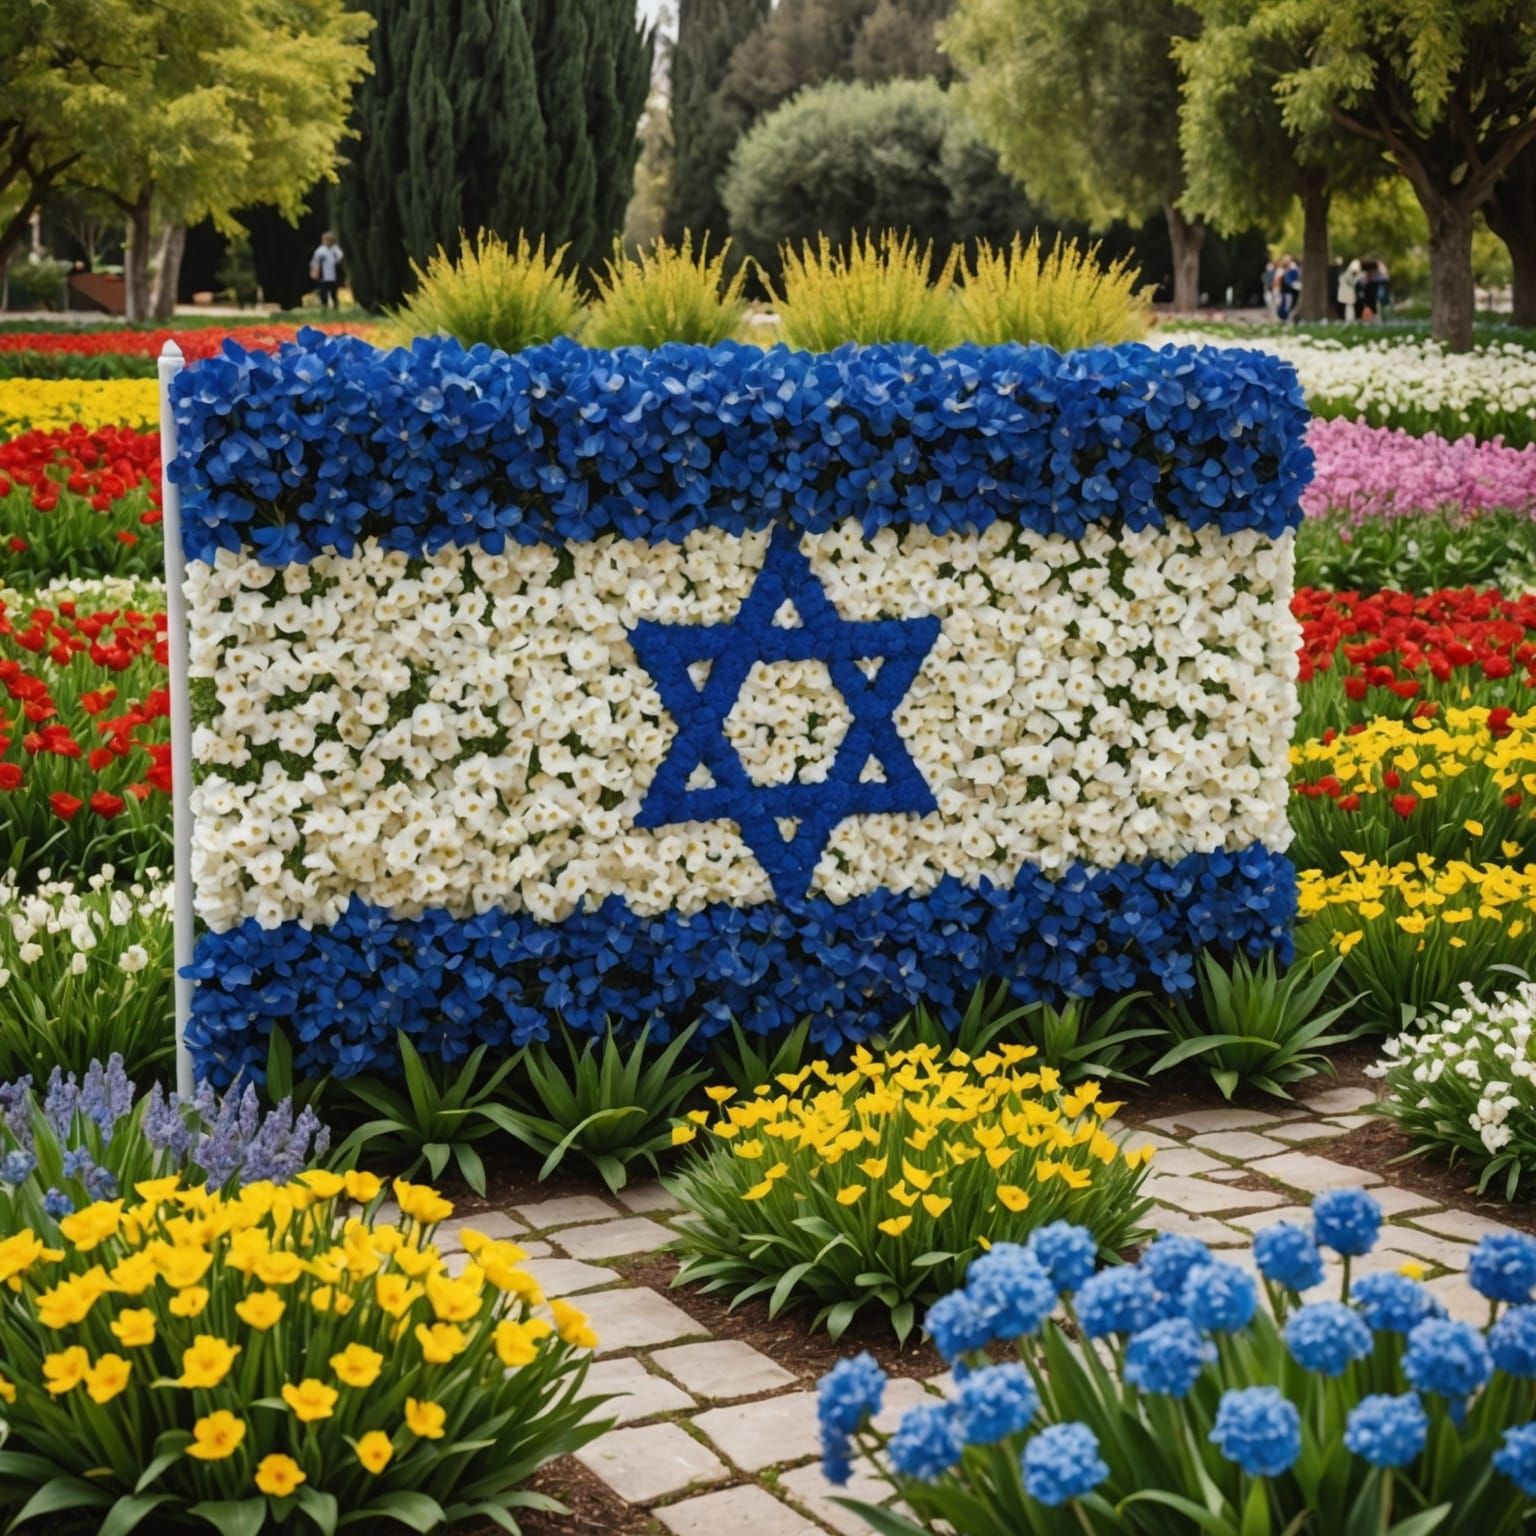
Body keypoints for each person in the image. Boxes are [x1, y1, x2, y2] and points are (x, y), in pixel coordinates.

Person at [309, 232, 345, 309]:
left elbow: (340, 259)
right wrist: (314, 272)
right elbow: (315, 262)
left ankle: (335, 307)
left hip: (334, 276)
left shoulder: (336, 249)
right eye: (326, 240)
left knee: (334, 294)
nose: (328, 241)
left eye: (330, 240)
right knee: (323, 293)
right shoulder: (320, 251)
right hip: (323, 277)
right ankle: (324, 306)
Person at [1276, 255, 1302, 324]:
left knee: (1289, 305)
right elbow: (1278, 282)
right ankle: (1284, 320)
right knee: (1285, 306)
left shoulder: (1293, 269)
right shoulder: (1281, 271)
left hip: (1290, 291)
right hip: (1285, 291)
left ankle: (1286, 319)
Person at [1337, 258, 1362, 322]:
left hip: (1344, 292)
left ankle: (1349, 319)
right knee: (1349, 306)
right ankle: (1350, 319)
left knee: (1348, 307)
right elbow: (1352, 283)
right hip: (1347, 292)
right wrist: (1358, 277)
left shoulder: (1342, 273)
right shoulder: (1347, 273)